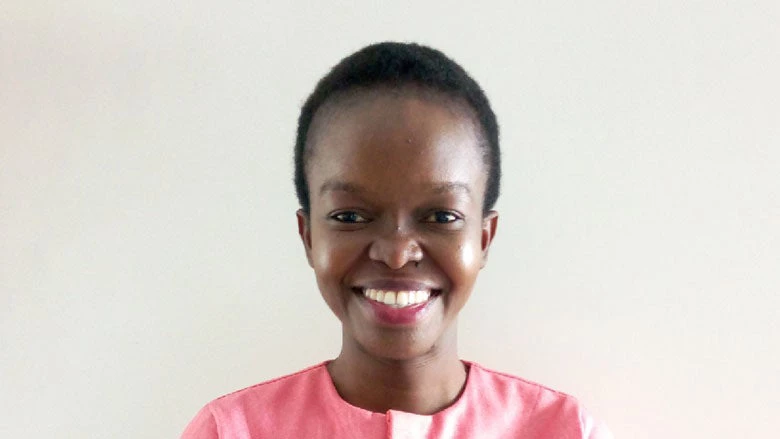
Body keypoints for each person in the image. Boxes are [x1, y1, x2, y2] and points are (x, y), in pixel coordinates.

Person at [181, 42, 612, 438]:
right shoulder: (231, 431)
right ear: (308, 236)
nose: (397, 253)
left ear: (484, 238)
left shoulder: (564, 430)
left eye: (441, 216)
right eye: (350, 216)